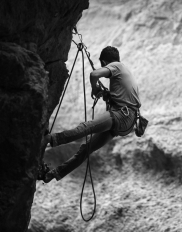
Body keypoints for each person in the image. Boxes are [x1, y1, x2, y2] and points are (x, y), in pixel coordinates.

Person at [38, 46, 140, 182]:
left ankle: (50, 139)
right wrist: (107, 95)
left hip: (122, 115)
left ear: (104, 62)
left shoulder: (116, 66)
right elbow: (124, 98)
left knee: (86, 127)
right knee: (85, 149)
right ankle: (52, 175)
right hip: (128, 121)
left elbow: (94, 74)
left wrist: (94, 87)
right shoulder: (125, 72)